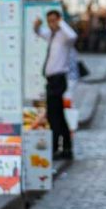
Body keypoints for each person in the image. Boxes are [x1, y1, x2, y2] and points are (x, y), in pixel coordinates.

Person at [34, 10, 77, 161]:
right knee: (58, 115)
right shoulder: (52, 35)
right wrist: (37, 26)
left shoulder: (64, 36)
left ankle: (56, 148)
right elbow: (40, 33)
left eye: (54, 21)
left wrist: (61, 23)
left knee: (54, 116)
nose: (51, 24)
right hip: (51, 81)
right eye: (49, 21)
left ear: (58, 20)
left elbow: (73, 36)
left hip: (58, 80)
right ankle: (66, 148)